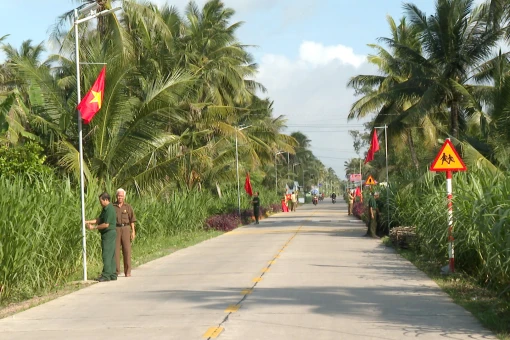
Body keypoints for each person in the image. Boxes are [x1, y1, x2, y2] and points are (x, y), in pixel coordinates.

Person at [86, 192, 117, 282]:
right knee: (110, 254)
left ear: (106, 200)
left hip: (109, 233)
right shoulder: (105, 209)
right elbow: (99, 219)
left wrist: (94, 228)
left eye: (101, 201)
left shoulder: (110, 209)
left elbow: (106, 224)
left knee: (107, 254)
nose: (100, 203)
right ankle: (112, 273)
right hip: (107, 233)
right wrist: (88, 222)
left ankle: (106, 274)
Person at [113, 188, 136, 277]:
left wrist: (133, 231)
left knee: (127, 250)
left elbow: (132, 220)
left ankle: (128, 271)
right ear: (116, 196)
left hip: (126, 228)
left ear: (124, 196)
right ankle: (117, 271)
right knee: (116, 250)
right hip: (116, 229)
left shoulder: (128, 207)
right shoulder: (112, 206)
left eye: (122, 196)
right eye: (119, 196)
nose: (120, 197)